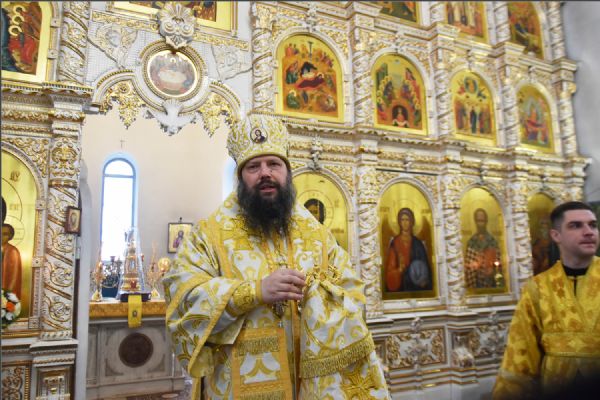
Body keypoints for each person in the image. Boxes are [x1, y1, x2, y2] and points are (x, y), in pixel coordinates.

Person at [162, 113, 390, 399]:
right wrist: (254, 292)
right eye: (253, 166)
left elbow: (352, 292)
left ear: (287, 173)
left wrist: (321, 298)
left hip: (309, 386)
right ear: (240, 177)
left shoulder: (317, 235)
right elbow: (183, 298)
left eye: (274, 164)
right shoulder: (209, 235)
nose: (265, 173)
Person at [492, 201, 600, 399]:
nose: (588, 232)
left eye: (592, 225)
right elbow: (521, 353)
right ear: (556, 235)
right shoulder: (537, 288)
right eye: (576, 225)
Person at [384, 208, 432, 292]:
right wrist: (399, 270)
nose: (405, 223)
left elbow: (425, 268)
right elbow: (389, 272)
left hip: (416, 287)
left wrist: (423, 279)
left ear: (411, 222)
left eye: (407, 220)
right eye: (402, 220)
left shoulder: (418, 244)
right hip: (401, 286)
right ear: (399, 222)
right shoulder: (395, 243)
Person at [464, 208, 502, 289]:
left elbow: (498, 264)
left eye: (482, 221)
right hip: (476, 285)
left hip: (491, 285)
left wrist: (493, 270)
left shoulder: (492, 241)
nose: (480, 224)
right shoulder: (471, 242)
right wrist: (475, 266)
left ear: (486, 221)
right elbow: (468, 269)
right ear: (475, 221)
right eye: (478, 221)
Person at [2, 223, 22, 299]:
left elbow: (15, 274)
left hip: (6, 287)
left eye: (5, 234)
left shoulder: (13, 251)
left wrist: (8, 291)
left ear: (10, 236)